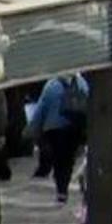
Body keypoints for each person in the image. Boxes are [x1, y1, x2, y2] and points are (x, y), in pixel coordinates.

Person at [28, 73, 88, 204]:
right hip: (74, 128)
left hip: (53, 129)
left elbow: (41, 108)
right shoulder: (82, 83)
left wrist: (33, 129)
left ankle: (61, 189)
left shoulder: (51, 85)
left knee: (58, 161)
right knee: (68, 161)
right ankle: (63, 186)